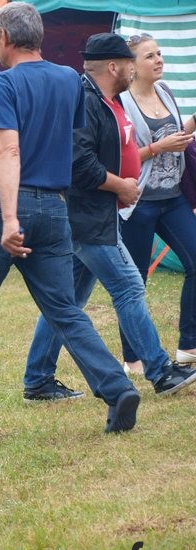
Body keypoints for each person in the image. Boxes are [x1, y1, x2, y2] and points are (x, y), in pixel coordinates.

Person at [0, 3, 142, 439]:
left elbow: (8, 150)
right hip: (56, 208)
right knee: (64, 310)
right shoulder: (69, 81)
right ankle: (117, 388)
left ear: (4, 38)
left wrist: (8, 219)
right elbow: (65, 142)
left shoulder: (0, 83)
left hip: (6, 206)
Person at [22, 32, 196, 401]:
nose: (135, 70)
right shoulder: (85, 102)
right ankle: (160, 371)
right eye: (133, 63)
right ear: (115, 66)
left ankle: (37, 379)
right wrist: (121, 186)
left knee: (66, 301)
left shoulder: (105, 99)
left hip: (95, 215)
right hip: (89, 219)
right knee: (129, 287)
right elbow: (79, 163)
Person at [118, 33, 196, 371]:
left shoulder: (165, 91)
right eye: (150, 56)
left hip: (173, 197)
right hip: (138, 202)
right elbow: (118, 157)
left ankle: (189, 345)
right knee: (134, 283)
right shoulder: (121, 102)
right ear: (133, 66)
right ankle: (132, 358)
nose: (159, 60)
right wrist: (157, 148)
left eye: (160, 53)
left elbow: (178, 136)